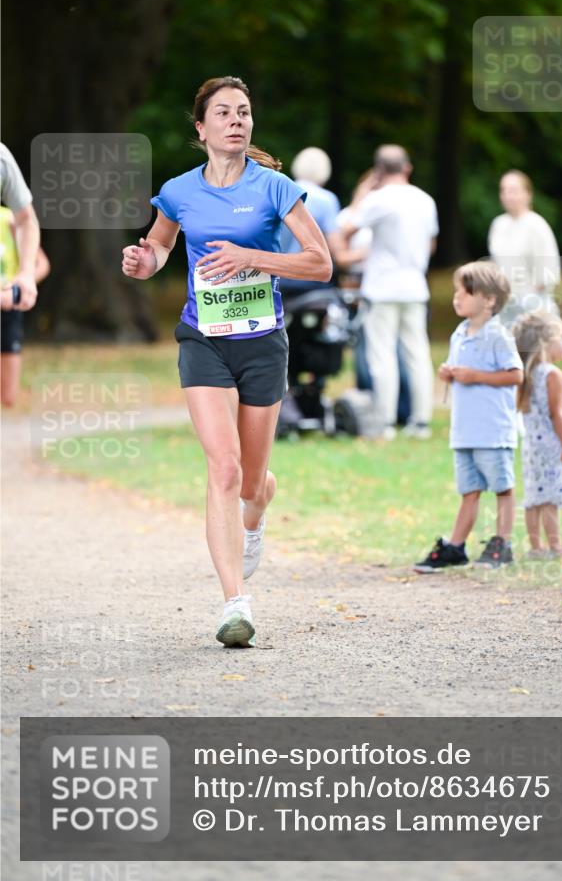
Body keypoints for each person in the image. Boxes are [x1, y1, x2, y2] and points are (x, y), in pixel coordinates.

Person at [121, 76, 332, 648]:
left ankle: (256, 516)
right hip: (203, 339)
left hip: (263, 343)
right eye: (224, 112)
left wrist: (251, 256)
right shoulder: (180, 190)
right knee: (225, 468)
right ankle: (234, 603)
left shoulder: (275, 188)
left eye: (244, 111)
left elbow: (320, 264)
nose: (237, 120)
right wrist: (144, 260)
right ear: (202, 128)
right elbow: (161, 246)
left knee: (253, 481)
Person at [414, 261, 523, 573]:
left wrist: (474, 375)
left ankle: (503, 543)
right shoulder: (459, 333)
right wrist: (448, 374)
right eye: (456, 291)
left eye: (465, 292)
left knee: (502, 487)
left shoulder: (498, 336)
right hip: (465, 430)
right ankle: (456, 546)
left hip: (493, 430)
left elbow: (515, 375)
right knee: (469, 490)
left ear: (488, 299)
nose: (457, 297)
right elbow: (457, 369)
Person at [343, 144, 438, 440]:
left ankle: (385, 420)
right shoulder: (425, 200)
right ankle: (420, 420)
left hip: (382, 286)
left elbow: (347, 229)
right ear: (407, 168)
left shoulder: (378, 199)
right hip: (415, 285)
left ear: (379, 171)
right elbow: (431, 243)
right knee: (417, 353)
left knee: (382, 355)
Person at [512, 311, 562, 562]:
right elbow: (557, 414)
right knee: (550, 497)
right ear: (545, 344)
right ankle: (556, 547)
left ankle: (535, 547)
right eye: (561, 337)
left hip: (532, 447)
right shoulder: (552, 374)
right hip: (551, 447)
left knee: (534, 497)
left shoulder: (527, 375)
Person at [0, 144, 49, 408]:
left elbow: (26, 219)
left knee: (8, 397)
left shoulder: (1, 158)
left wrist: (26, 275)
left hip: (6, 307)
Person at [488, 170, 560, 325]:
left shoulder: (537, 225)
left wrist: (528, 299)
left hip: (533, 304)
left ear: (528, 194)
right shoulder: (498, 225)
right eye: (504, 190)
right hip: (504, 306)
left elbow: (548, 270)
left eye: (513, 190)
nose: (508, 195)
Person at [279, 147, 342, 295]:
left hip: (278, 276)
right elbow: (335, 248)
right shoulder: (327, 200)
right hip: (309, 280)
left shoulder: (280, 192)